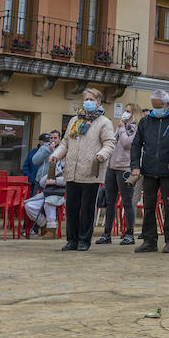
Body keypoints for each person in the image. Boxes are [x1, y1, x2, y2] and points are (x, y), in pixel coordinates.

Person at [52, 89, 114, 251]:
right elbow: (65, 142)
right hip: (72, 171)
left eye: (91, 99)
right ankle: (71, 240)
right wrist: (56, 155)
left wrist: (102, 154)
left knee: (87, 208)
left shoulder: (104, 122)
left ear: (98, 102)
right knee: (71, 208)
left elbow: (109, 143)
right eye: (86, 99)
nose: (87, 101)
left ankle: (84, 240)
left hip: (90, 171)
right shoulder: (74, 120)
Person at [130, 90, 169, 253]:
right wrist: (135, 165)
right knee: (148, 206)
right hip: (149, 170)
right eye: (153, 107)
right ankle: (149, 240)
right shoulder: (145, 121)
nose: (155, 110)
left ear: (167, 104)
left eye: (158, 107)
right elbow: (136, 145)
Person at [98, 107, 138, 245]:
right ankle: (107, 233)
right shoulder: (120, 127)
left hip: (125, 168)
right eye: (124, 110)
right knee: (110, 202)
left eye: (128, 110)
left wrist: (121, 129)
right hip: (111, 168)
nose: (125, 113)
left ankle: (129, 233)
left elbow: (128, 144)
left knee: (127, 201)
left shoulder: (133, 128)